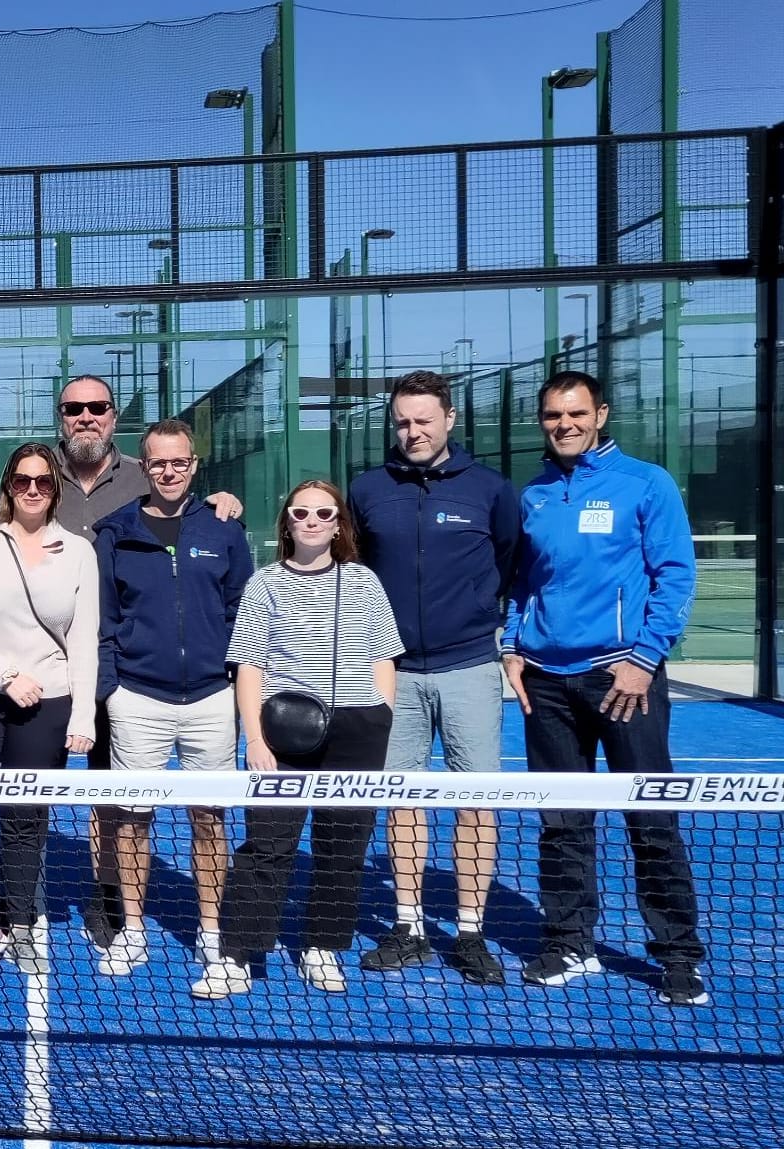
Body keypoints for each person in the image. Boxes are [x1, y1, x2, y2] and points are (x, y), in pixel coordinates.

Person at [0, 374, 245, 951]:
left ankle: (107, 896)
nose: (85, 416)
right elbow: (8, 543)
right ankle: (65, 905)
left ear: (114, 416)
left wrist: (222, 502)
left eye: (97, 407)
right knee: (94, 802)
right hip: (73, 674)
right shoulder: (37, 470)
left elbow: (185, 506)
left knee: (114, 799)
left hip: (119, 669)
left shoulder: (146, 472)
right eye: (74, 408)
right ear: (60, 416)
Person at [501, 370, 709, 1007]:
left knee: (651, 818)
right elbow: (522, 583)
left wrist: (643, 660)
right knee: (562, 822)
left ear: (600, 414)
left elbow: (675, 576)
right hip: (546, 683)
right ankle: (569, 942)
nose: (564, 425)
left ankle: (678, 956)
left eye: (575, 413)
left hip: (624, 680)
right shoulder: (533, 494)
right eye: (552, 416)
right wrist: (513, 646)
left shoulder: (646, 482)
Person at [194, 481, 403, 999]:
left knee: (343, 847)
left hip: (358, 731)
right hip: (285, 732)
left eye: (324, 513)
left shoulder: (364, 582)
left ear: (338, 524)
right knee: (267, 845)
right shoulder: (264, 583)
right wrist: (255, 738)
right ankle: (236, 956)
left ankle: (322, 947)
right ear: (287, 522)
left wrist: (380, 714)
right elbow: (248, 665)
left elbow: (384, 654)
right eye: (301, 512)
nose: (312, 521)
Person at [347, 370, 521, 985]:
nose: (413, 431)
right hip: (391, 672)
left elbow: (508, 563)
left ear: (449, 418)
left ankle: (470, 933)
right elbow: (355, 568)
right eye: (402, 422)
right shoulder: (367, 489)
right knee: (402, 799)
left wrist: (480, 622)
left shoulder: (491, 490)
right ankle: (410, 927)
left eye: (424, 420)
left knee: (476, 801)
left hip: (470, 665)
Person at [92, 419, 255, 979]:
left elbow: (242, 613)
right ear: (144, 467)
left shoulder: (224, 528)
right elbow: (105, 620)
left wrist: (233, 679)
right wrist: (112, 690)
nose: (169, 472)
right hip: (138, 698)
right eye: (158, 463)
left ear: (194, 465)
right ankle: (133, 931)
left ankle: (211, 932)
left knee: (209, 818)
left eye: (179, 462)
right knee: (132, 819)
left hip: (212, 698)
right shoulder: (115, 533)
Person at [0, 442, 99, 976]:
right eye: (22, 481)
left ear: (56, 489)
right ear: (8, 487)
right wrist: (6, 676)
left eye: (43, 481)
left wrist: (82, 715)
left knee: (24, 819)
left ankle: (20, 921)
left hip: (48, 701)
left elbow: (83, 639)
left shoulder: (79, 552)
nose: (33, 490)